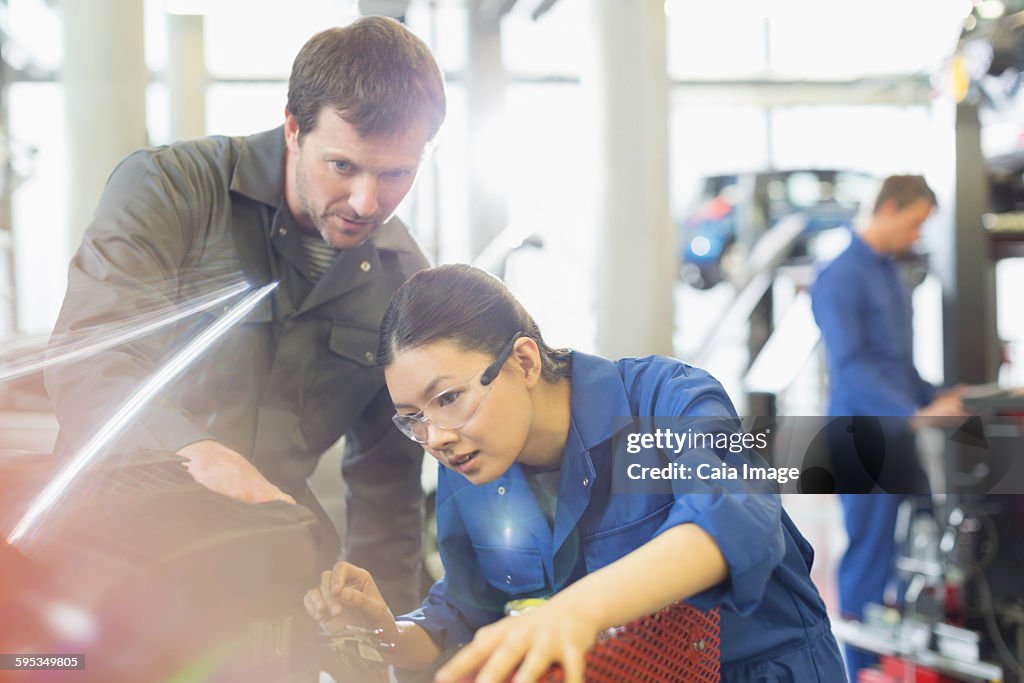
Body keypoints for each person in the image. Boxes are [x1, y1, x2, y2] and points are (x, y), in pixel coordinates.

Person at [44, 16, 445, 613]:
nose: (368, 202)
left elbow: (387, 491)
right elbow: (90, 363)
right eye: (343, 166)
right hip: (109, 562)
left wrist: (389, 646)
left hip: (262, 581)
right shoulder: (169, 191)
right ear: (292, 129)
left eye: (396, 174)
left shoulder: (403, 281)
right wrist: (197, 452)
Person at [303, 264, 846, 683]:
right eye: (414, 419)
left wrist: (576, 611)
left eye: (448, 398)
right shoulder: (473, 467)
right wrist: (388, 631)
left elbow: (735, 515)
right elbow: (467, 609)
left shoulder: (663, 399)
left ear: (524, 361)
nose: (436, 437)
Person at [811, 174, 968, 679]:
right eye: (916, 222)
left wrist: (939, 397)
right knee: (870, 551)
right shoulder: (837, 277)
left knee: (923, 536)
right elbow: (852, 364)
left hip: (899, 431)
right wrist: (916, 413)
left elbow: (897, 364)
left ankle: (908, 660)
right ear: (889, 209)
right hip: (863, 434)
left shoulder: (890, 275)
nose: (918, 234)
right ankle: (861, 669)